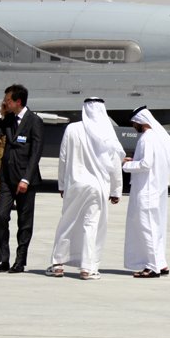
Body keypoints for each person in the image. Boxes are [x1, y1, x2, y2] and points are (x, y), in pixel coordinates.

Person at [46, 98, 124, 280]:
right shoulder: (107, 131)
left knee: (67, 222)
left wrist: (62, 185)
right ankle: (87, 268)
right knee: (91, 225)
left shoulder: (72, 129)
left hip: (75, 184)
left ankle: (57, 264)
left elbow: (63, 158)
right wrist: (116, 190)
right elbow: (115, 163)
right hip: (98, 187)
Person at [0, 84, 45, 273]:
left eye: (8, 100)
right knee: (1, 217)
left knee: (24, 222)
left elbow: (36, 153)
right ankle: (2, 259)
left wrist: (26, 179)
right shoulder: (7, 119)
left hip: (25, 179)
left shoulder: (34, 121)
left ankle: (20, 261)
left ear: (18, 101)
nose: (5, 102)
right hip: (6, 178)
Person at [123, 106, 170, 278]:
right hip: (156, 189)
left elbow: (146, 164)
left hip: (146, 190)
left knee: (147, 228)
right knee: (155, 228)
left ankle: (152, 267)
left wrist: (126, 165)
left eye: (134, 123)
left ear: (139, 121)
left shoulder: (147, 138)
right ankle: (161, 263)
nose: (133, 127)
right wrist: (134, 160)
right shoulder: (161, 137)